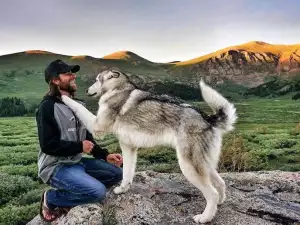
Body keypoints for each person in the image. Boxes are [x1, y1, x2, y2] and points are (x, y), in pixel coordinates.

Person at [36, 59, 123, 222]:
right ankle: (52, 198)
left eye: (73, 73)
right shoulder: (47, 107)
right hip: (56, 167)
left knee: (117, 174)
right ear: (55, 80)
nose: (73, 76)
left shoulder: (78, 105)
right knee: (98, 192)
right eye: (68, 74)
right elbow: (48, 145)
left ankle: (80, 186)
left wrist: (105, 156)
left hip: (76, 162)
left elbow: (87, 138)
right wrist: (79, 146)